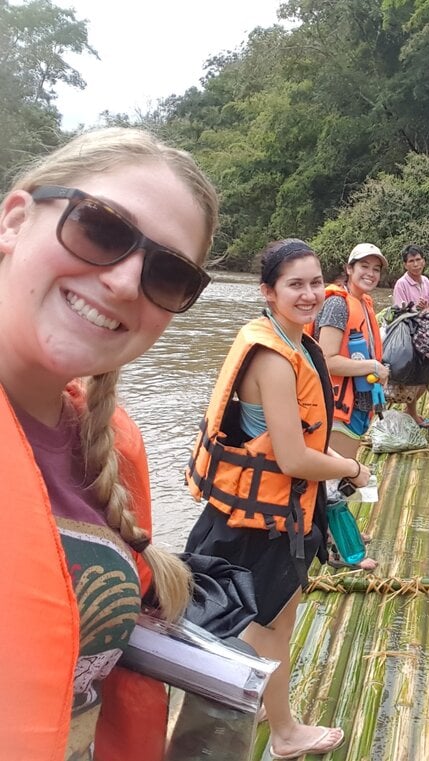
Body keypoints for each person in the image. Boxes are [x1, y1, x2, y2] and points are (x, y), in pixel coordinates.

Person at [0, 127, 218, 761]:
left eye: (168, 274)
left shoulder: (109, 447)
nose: (125, 282)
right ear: (15, 220)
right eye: (100, 228)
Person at [185, 240, 370, 759]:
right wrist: (353, 467)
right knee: (271, 625)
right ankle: (286, 733)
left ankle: (264, 702)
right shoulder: (272, 358)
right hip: (264, 519)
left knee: (273, 619)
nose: (309, 294)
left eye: (315, 282)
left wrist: (331, 464)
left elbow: (304, 439)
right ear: (268, 291)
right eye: (295, 284)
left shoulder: (291, 341)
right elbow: (293, 459)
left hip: (271, 512)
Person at [312, 242, 386, 569]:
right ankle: (343, 550)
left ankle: (330, 535)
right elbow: (328, 360)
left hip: (357, 405)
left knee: (341, 474)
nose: (369, 273)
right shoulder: (338, 306)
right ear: (349, 268)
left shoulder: (362, 303)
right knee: (332, 478)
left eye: (376, 268)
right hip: (336, 407)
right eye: (364, 267)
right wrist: (371, 367)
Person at [391, 243, 429, 430]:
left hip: (425, 334)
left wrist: (425, 309)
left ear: (424, 261)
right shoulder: (401, 284)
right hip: (408, 335)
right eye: (411, 261)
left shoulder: (426, 281)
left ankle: (410, 411)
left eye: (418, 260)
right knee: (413, 375)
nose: (416, 264)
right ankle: (412, 413)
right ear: (405, 265)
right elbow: (398, 311)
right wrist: (416, 309)